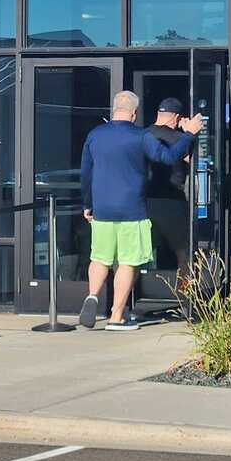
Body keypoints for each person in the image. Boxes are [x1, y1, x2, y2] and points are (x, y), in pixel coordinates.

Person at [79, 90, 202, 331]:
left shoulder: (95, 135)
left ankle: (92, 295)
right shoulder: (140, 136)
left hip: (102, 209)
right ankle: (116, 316)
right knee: (127, 262)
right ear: (134, 113)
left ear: (114, 109)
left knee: (100, 258)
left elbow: (86, 173)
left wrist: (87, 205)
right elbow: (167, 157)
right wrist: (188, 134)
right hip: (131, 209)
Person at [145, 97, 192, 274]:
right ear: (176, 118)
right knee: (182, 249)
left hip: (146, 200)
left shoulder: (144, 135)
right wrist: (189, 133)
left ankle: (135, 291)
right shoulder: (180, 138)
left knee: (141, 250)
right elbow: (197, 163)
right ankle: (186, 293)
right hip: (172, 201)